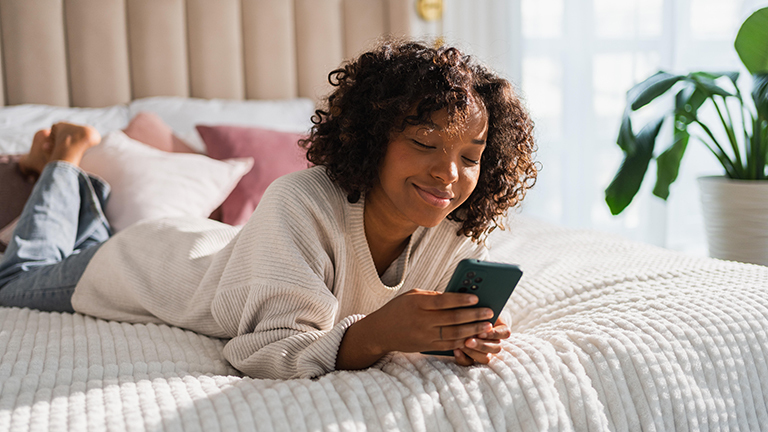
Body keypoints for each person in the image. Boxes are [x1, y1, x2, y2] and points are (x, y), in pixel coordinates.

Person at [0, 40, 537, 380]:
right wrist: (378, 333)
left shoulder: (454, 223)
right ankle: (66, 160)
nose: (449, 173)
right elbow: (266, 351)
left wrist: (468, 334)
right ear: (374, 138)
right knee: (19, 279)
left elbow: (442, 309)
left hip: (207, 245)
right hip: (141, 264)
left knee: (86, 239)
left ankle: (84, 191)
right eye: (425, 143)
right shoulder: (300, 201)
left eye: (470, 157)